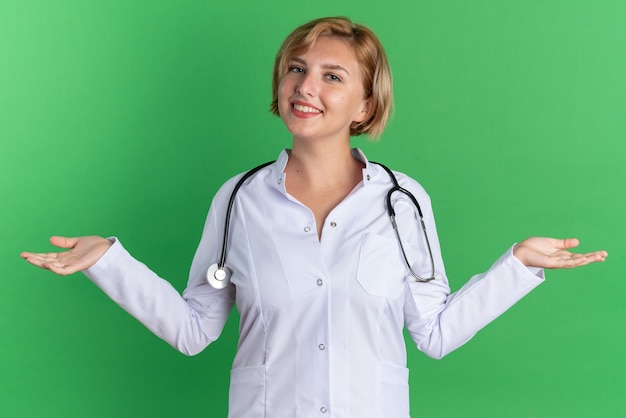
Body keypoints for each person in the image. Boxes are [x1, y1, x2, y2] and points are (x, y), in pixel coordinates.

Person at [21, 16, 607, 418]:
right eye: (296, 68)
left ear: (366, 103)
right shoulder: (239, 200)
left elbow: (435, 332)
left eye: (333, 76)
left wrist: (520, 265)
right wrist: (108, 261)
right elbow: (194, 329)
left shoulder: (404, 203)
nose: (306, 87)